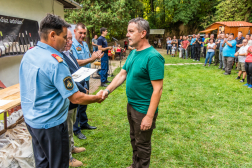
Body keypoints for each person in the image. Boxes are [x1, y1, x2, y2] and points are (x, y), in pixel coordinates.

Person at [19, 14, 105, 168]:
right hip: (51, 125)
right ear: (52, 35)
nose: (67, 41)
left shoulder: (29, 54)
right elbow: (76, 98)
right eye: (64, 37)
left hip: (33, 121)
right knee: (59, 163)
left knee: (42, 162)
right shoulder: (56, 61)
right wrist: (96, 97)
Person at [102, 17, 164, 168]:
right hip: (132, 106)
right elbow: (122, 74)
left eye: (131, 31)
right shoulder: (134, 53)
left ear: (143, 33)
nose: (127, 35)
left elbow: (158, 89)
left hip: (143, 109)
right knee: (134, 139)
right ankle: (135, 165)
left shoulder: (153, 57)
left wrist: (149, 117)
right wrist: (107, 90)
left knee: (142, 144)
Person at [62, 30, 103, 167]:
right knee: (67, 128)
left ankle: (72, 147)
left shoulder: (70, 54)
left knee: (72, 123)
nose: (69, 42)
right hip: (69, 98)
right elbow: (68, 78)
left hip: (76, 94)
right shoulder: (59, 57)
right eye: (66, 39)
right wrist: (82, 89)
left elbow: (75, 71)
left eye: (69, 39)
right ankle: (68, 157)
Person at [71, 23, 98, 140]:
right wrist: (91, 59)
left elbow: (88, 57)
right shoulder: (71, 44)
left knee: (84, 103)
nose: (82, 35)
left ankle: (84, 123)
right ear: (75, 32)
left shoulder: (85, 44)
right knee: (77, 103)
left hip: (86, 77)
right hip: (77, 78)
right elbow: (75, 61)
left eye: (84, 33)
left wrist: (95, 56)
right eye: (80, 33)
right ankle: (76, 129)